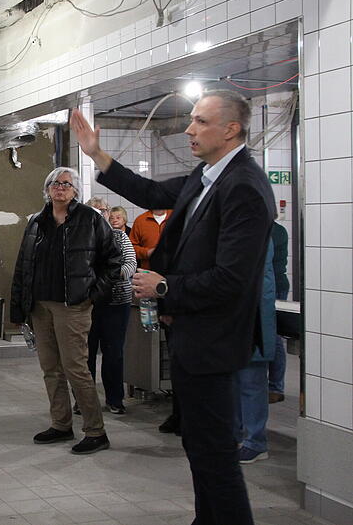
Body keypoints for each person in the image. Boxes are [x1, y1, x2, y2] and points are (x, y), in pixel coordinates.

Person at [71, 89, 274, 525]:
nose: (188, 129)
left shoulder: (244, 187)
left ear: (231, 129)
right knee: (200, 446)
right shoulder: (207, 176)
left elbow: (232, 279)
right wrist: (97, 154)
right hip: (192, 333)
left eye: (201, 121)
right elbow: (149, 190)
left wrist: (165, 287)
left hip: (215, 339)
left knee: (216, 452)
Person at [10, 168, 121, 455]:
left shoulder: (90, 219)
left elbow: (114, 261)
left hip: (73, 307)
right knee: (50, 369)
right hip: (40, 306)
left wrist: (92, 295)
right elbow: (23, 266)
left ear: (75, 190)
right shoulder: (36, 221)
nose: (60, 187)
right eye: (55, 183)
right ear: (48, 189)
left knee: (76, 369)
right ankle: (61, 424)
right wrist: (19, 307)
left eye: (66, 184)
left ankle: (96, 431)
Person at [129, 207, 179, 432]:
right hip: (155, 289)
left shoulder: (177, 217)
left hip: (179, 291)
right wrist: (147, 253)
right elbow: (132, 248)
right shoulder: (142, 220)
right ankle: (178, 413)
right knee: (175, 357)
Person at [89, 205, 137, 415]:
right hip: (88, 304)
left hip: (117, 303)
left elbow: (131, 264)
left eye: (102, 213)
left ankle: (115, 399)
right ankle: (84, 400)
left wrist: (110, 277)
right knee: (86, 354)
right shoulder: (82, 238)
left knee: (114, 353)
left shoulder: (119, 236)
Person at [235, 237, 277, 465]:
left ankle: (255, 442)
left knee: (251, 382)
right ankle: (236, 435)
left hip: (254, 316)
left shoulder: (258, 235)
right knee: (234, 382)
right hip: (235, 319)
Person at [268, 221, 290, 403]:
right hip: (270, 286)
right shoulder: (277, 230)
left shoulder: (275, 231)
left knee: (274, 337)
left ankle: (276, 387)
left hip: (273, 287)